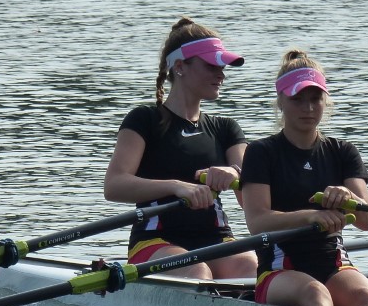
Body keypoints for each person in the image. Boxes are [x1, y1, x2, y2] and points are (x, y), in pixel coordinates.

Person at [240, 50, 368, 306]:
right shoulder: (261, 152)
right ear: (280, 101)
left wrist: (349, 198)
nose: (308, 108)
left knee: (364, 297)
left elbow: (366, 221)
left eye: (315, 99)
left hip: (334, 263)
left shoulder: (342, 152)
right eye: (297, 99)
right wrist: (311, 216)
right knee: (315, 293)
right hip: (279, 269)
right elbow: (257, 222)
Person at [103, 17, 256, 280]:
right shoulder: (144, 120)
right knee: (197, 269)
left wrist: (235, 173)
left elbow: (252, 196)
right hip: (155, 240)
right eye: (211, 66)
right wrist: (176, 186)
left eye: (222, 67)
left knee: (255, 268)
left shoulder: (226, 128)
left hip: (216, 237)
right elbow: (114, 185)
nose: (221, 75)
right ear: (180, 66)